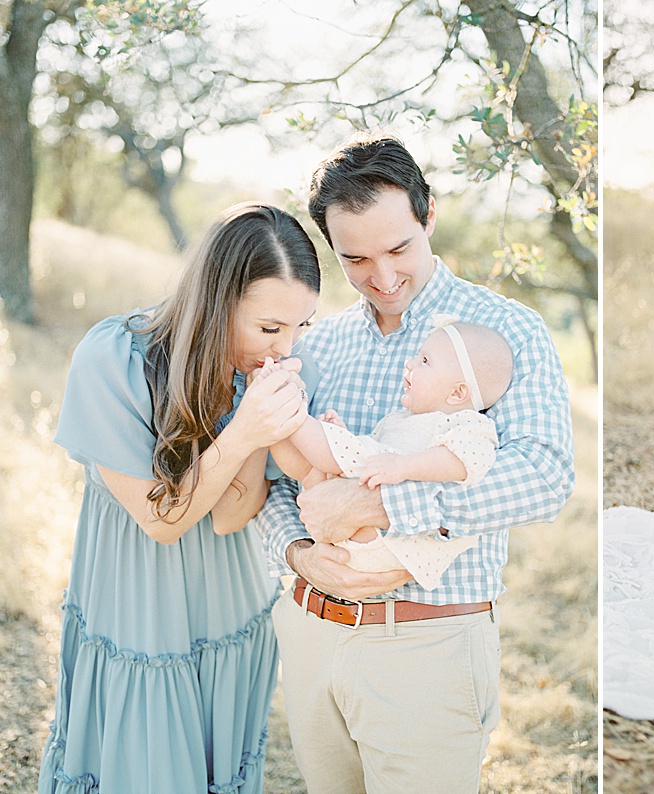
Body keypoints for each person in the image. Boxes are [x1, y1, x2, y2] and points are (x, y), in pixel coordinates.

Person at [255, 133, 575, 793]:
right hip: (313, 633)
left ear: (429, 217)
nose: (384, 276)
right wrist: (296, 554)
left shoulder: (505, 330)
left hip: (427, 642)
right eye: (357, 259)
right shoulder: (322, 342)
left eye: (399, 247)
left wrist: (381, 504)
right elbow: (276, 479)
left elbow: (544, 476)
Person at [38, 203, 319, 793]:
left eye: (301, 328)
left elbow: (231, 517)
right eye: (270, 328)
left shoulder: (264, 372)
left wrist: (254, 420)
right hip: (138, 611)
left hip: (231, 611)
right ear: (217, 303)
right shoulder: (113, 360)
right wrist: (245, 430)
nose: (285, 350)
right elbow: (162, 521)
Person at [265, 318, 514, 587]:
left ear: (457, 393)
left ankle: (288, 408)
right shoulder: (401, 419)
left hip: (391, 542)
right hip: (349, 540)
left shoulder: (469, 424)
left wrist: (403, 466)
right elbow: (367, 454)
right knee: (310, 468)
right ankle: (273, 427)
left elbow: (466, 461)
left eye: (425, 361)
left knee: (334, 455)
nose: (411, 363)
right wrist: (342, 434)